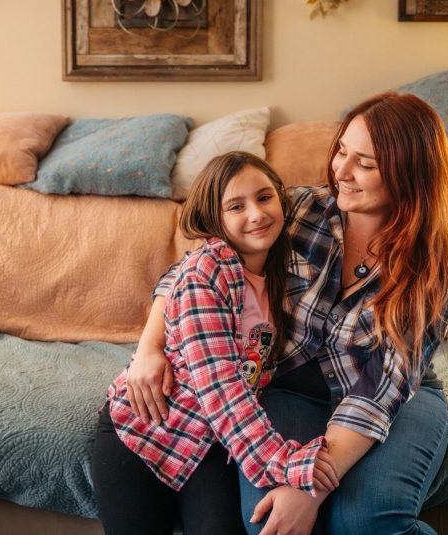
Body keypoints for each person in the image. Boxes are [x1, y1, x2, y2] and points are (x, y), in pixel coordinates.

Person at [127, 93, 448, 535]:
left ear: (409, 174)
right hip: (285, 389)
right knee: (269, 523)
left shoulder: (432, 264)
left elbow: (379, 390)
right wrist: (148, 348)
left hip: (394, 395)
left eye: (365, 163)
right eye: (342, 150)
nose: (341, 171)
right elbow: (192, 270)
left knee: (364, 522)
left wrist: (309, 489)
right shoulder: (299, 211)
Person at [92, 151, 341, 535]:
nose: (256, 214)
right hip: (144, 432)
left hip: (211, 448)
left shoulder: (281, 270)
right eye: (236, 206)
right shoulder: (206, 272)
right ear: (215, 219)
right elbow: (222, 390)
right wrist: (284, 461)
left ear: (281, 198)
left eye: (264, 197)